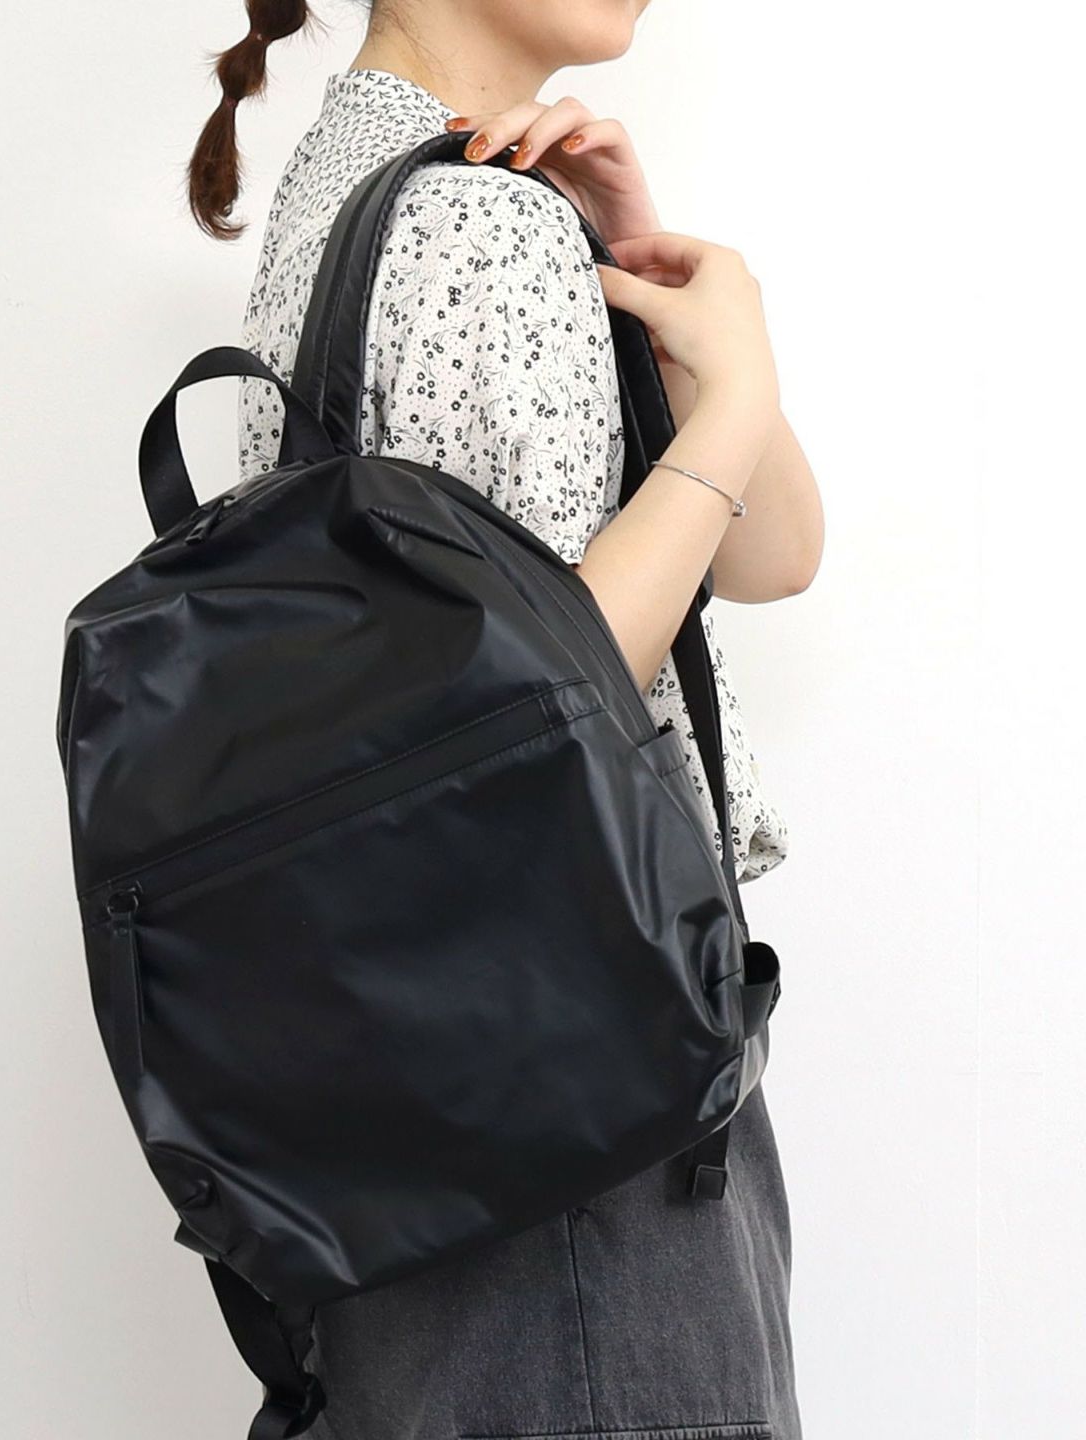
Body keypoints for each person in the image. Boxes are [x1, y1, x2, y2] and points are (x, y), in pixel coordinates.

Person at [186, 3, 824, 1437]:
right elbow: (546, 701)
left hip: (429, 1079)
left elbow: (773, 558)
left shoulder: (361, 174)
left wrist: (658, 291)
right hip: (587, 1089)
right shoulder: (475, 217)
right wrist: (736, 397)